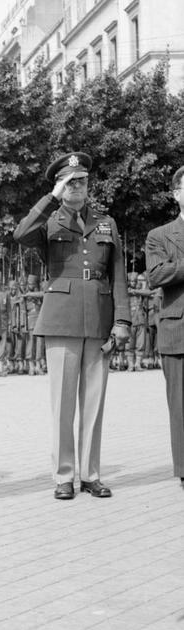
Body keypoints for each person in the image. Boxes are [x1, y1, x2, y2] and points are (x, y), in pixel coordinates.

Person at [14, 152, 130, 500]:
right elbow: (21, 234)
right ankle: (64, 475)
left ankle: (91, 474)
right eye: (69, 182)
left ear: (88, 185)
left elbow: (118, 274)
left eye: (81, 181)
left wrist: (122, 320)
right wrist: (51, 198)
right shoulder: (48, 221)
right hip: (61, 317)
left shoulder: (106, 223)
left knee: (93, 404)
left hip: (98, 317)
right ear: (60, 186)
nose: (76, 187)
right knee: (63, 404)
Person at [144, 164, 184, 489]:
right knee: (180, 405)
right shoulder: (159, 235)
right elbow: (156, 275)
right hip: (178, 330)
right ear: (177, 194)